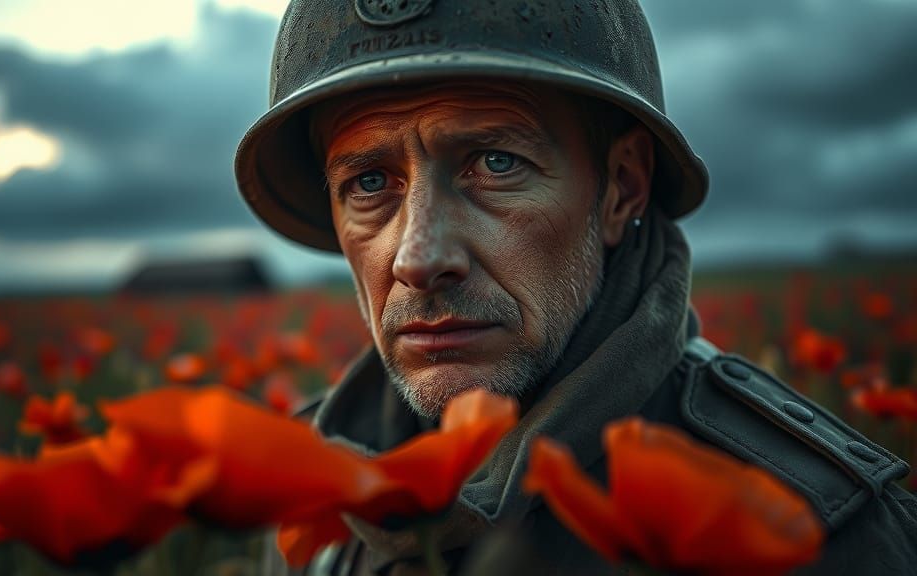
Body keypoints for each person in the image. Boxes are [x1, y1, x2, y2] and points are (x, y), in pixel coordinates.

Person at [234, 1, 917, 574]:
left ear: (622, 189)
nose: (419, 258)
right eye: (370, 183)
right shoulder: (304, 491)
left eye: (495, 163)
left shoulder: (816, 523)